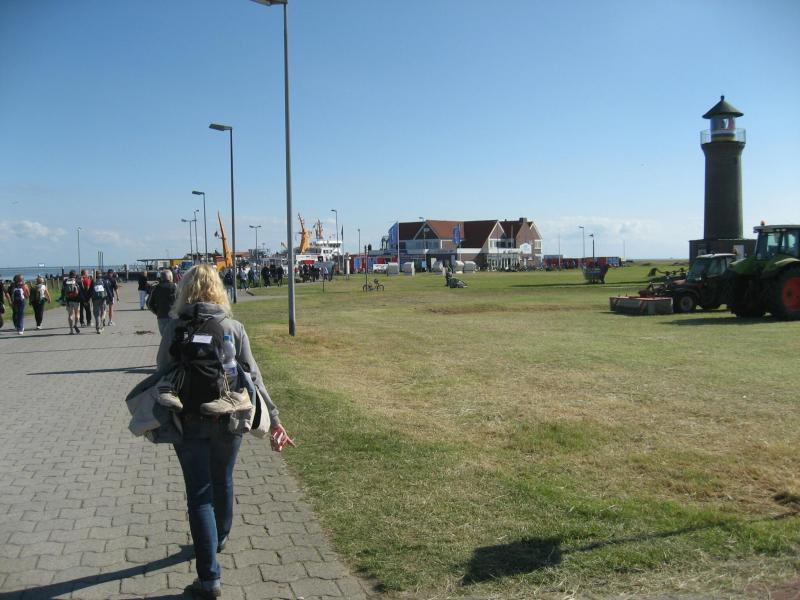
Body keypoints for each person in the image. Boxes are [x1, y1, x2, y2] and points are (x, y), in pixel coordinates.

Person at [155, 264, 293, 599]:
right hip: (229, 417)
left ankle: (209, 579)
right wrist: (274, 418)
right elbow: (253, 377)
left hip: (188, 418)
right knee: (223, 478)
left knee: (199, 494)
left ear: (185, 291)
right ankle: (221, 536)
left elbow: (162, 370)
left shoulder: (174, 327)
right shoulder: (233, 327)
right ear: (218, 289)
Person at [147, 269, 178, 335]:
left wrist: (157, 312)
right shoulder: (176, 287)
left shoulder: (156, 288)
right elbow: (183, 302)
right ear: (170, 277)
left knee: (164, 337)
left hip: (161, 316)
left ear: (161, 278)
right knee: (175, 337)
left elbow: (149, 304)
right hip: (174, 317)